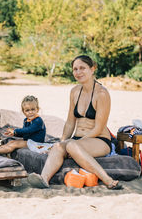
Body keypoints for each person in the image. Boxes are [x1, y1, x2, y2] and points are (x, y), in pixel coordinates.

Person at [28, 55, 122, 190]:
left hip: (99, 140)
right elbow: (70, 122)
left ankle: (108, 180)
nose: (78, 72)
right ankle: (44, 179)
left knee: (71, 145)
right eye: (75, 69)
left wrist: (73, 144)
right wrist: (62, 141)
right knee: (58, 147)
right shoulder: (74, 92)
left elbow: (99, 127)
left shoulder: (102, 94)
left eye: (82, 68)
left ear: (92, 69)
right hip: (78, 140)